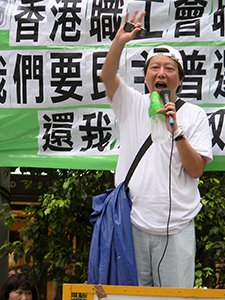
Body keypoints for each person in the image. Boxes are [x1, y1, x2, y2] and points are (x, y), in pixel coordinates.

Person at [100, 10, 213, 288]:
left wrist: (176, 130)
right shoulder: (132, 104)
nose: (161, 73)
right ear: (147, 77)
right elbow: (107, 75)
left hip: (178, 228)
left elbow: (196, 169)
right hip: (133, 225)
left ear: (180, 79)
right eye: (155, 68)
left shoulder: (195, 114)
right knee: (132, 295)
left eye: (169, 68)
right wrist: (119, 42)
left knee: (175, 296)